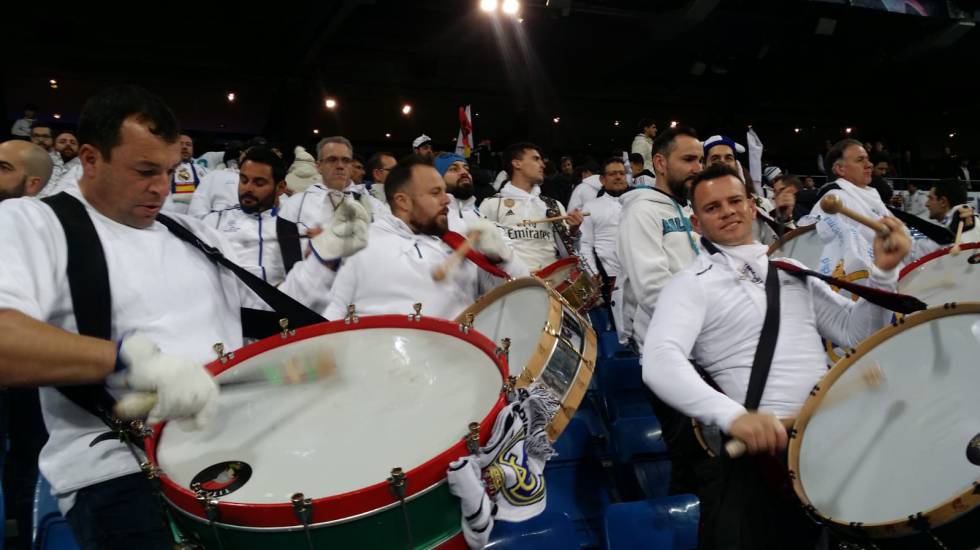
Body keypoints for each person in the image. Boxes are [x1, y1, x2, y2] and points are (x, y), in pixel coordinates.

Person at [0, 85, 368, 549]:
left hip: (234, 445)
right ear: (90, 159)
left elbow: (263, 315)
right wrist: (132, 363)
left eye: (170, 170)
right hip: (122, 468)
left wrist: (325, 258)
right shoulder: (33, 224)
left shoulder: (187, 230)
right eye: (144, 171)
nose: (162, 187)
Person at [643, 163, 911, 550]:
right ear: (696, 223)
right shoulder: (690, 285)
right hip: (758, 466)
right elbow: (659, 361)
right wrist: (733, 417)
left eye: (735, 200)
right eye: (713, 207)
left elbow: (857, 333)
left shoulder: (790, 269)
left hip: (824, 448)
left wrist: (883, 274)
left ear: (752, 207)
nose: (728, 211)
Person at [324, 155, 527, 320]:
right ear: (403, 201)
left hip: (460, 359)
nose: (447, 199)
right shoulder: (361, 245)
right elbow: (331, 314)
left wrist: (501, 258)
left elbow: (516, 297)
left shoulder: (456, 244)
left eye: (444, 191)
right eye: (435, 192)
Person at [617, 126, 703, 348]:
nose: (698, 168)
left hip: (702, 341)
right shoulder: (641, 211)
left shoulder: (693, 210)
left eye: (700, 160)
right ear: (660, 163)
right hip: (667, 345)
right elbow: (652, 288)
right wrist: (709, 320)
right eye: (689, 159)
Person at [480, 142, 585, 272]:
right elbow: (481, 255)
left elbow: (568, 255)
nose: (542, 164)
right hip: (511, 287)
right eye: (536, 159)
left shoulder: (553, 205)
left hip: (551, 286)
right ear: (517, 163)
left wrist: (573, 231)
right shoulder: (492, 204)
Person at [202, 147, 296, 285]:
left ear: (280, 188)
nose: (248, 188)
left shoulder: (293, 228)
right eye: (244, 180)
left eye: (259, 183)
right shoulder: (214, 222)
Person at [278, 136, 387, 232]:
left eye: (345, 160)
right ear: (318, 166)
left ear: (350, 166)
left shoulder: (375, 206)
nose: (340, 165)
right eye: (332, 159)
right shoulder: (295, 205)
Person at [162, 134, 208, 214]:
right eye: (180, 144)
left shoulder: (202, 170)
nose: (184, 147)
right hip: (171, 215)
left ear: (192, 149)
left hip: (197, 217)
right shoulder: (164, 168)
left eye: (188, 144)